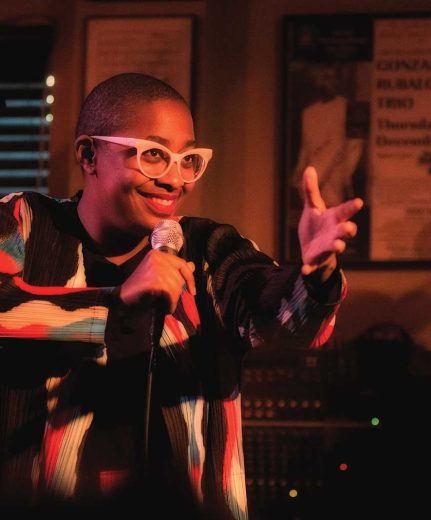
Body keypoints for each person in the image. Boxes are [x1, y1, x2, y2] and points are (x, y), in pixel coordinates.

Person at [0, 72, 363, 519]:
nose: (176, 179)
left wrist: (315, 273)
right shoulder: (27, 224)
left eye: (188, 159)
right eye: (153, 155)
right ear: (89, 154)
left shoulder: (209, 249)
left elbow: (285, 320)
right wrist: (113, 305)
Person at [292, 64, 365, 208]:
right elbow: (306, 147)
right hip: (312, 179)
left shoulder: (348, 107)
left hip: (335, 180)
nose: (326, 82)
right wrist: (300, 172)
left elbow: (355, 145)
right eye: (322, 77)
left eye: (329, 77)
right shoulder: (309, 112)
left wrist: (345, 176)